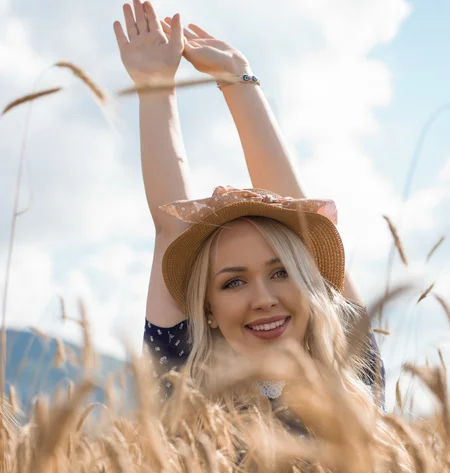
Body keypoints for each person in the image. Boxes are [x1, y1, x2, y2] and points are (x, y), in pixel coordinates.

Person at [113, 1, 385, 409]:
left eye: (281, 271)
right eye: (232, 282)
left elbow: (302, 220)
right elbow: (172, 226)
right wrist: (155, 84)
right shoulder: (187, 393)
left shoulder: (353, 371)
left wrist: (238, 80)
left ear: (310, 282)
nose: (263, 298)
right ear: (206, 308)